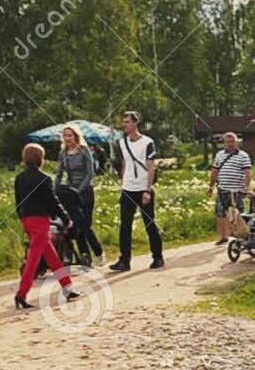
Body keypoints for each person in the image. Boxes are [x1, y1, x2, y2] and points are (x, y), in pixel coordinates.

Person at [12, 143, 80, 312]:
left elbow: (18, 202)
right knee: (34, 260)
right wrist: (66, 219)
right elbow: (53, 202)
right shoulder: (44, 179)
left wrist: (22, 218)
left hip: (27, 219)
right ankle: (21, 294)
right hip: (40, 221)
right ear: (40, 159)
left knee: (52, 256)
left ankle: (68, 287)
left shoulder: (19, 178)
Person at [108, 110, 164, 272]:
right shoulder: (122, 142)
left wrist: (147, 189)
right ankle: (124, 260)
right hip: (128, 188)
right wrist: (123, 182)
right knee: (125, 225)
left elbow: (150, 166)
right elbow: (126, 163)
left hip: (143, 188)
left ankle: (157, 256)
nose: (125, 125)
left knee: (149, 223)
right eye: (123, 122)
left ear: (135, 123)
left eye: (127, 122)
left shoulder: (147, 142)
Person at [55, 124, 103, 267]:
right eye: (65, 136)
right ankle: (85, 256)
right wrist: (55, 188)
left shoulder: (84, 150)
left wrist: (79, 189)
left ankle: (99, 252)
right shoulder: (63, 153)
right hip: (71, 191)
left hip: (85, 191)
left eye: (70, 135)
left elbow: (90, 173)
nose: (67, 138)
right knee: (76, 225)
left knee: (86, 225)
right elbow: (59, 173)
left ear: (76, 136)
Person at [208, 132, 253, 245]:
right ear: (224, 143)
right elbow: (215, 171)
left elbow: (247, 173)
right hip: (222, 188)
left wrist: (245, 187)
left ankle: (244, 234)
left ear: (237, 142)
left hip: (237, 190)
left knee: (240, 213)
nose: (231, 144)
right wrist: (211, 186)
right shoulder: (219, 155)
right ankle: (224, 236)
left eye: (233, 141)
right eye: (228, 142)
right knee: (220, 213)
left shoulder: (243, 155)